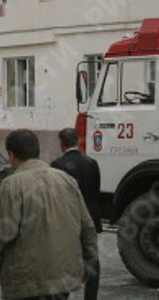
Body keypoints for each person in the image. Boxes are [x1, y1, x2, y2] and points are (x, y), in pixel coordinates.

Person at [0, 129, 98, 300]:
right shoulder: (66, 180)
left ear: (11, 155)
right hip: (63, 278)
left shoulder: (11, 185)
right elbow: (88, 228)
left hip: (27, 282)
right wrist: (87, 265)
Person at [52, 128, 102, 300]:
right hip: (90, 218)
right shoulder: (92, 163)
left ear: (61, 143)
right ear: (78, 141)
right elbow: (96, 193)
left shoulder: (57, 165)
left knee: (65, 260)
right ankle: (91, 297)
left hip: (68, 220)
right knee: (92, 259)